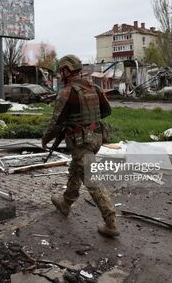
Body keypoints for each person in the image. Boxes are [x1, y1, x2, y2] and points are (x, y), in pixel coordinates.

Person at [41, 54, 119, 237]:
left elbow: (56, 123)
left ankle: (111, 222)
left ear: (67, 71)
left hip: (81, 141)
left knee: (91, 178)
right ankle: (66, 203)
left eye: (62, 71)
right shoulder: (95, 87)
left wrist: (45, 139)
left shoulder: (67, 92)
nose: (60, 74)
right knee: (76, 169)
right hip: (97, 138)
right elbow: (107, 110)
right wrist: (88, 121)